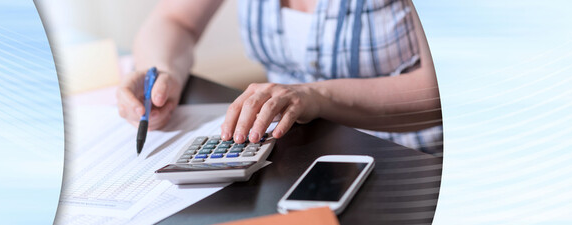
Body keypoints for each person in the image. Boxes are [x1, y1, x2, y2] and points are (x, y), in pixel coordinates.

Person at [116, 0, 442, 155]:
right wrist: (162, 71)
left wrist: (316, 97)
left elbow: (445, 90)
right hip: (291, 157)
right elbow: (175, 19)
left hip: (411, 161)